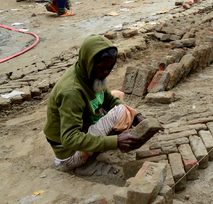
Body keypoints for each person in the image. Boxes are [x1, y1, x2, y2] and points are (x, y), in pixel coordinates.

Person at [43, 35, 157, 175]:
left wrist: (137, 115)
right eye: (102, 68)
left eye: (110, 67)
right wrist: (115, 141)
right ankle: (87, 162)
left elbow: (109, 99)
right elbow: (70, 138)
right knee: (121, 111)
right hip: (69, 154)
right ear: (89, 63)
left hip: (83, 129)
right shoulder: (71, 92)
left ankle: (94, 150)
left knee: (118, 96)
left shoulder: (88, 72)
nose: (106, 72)